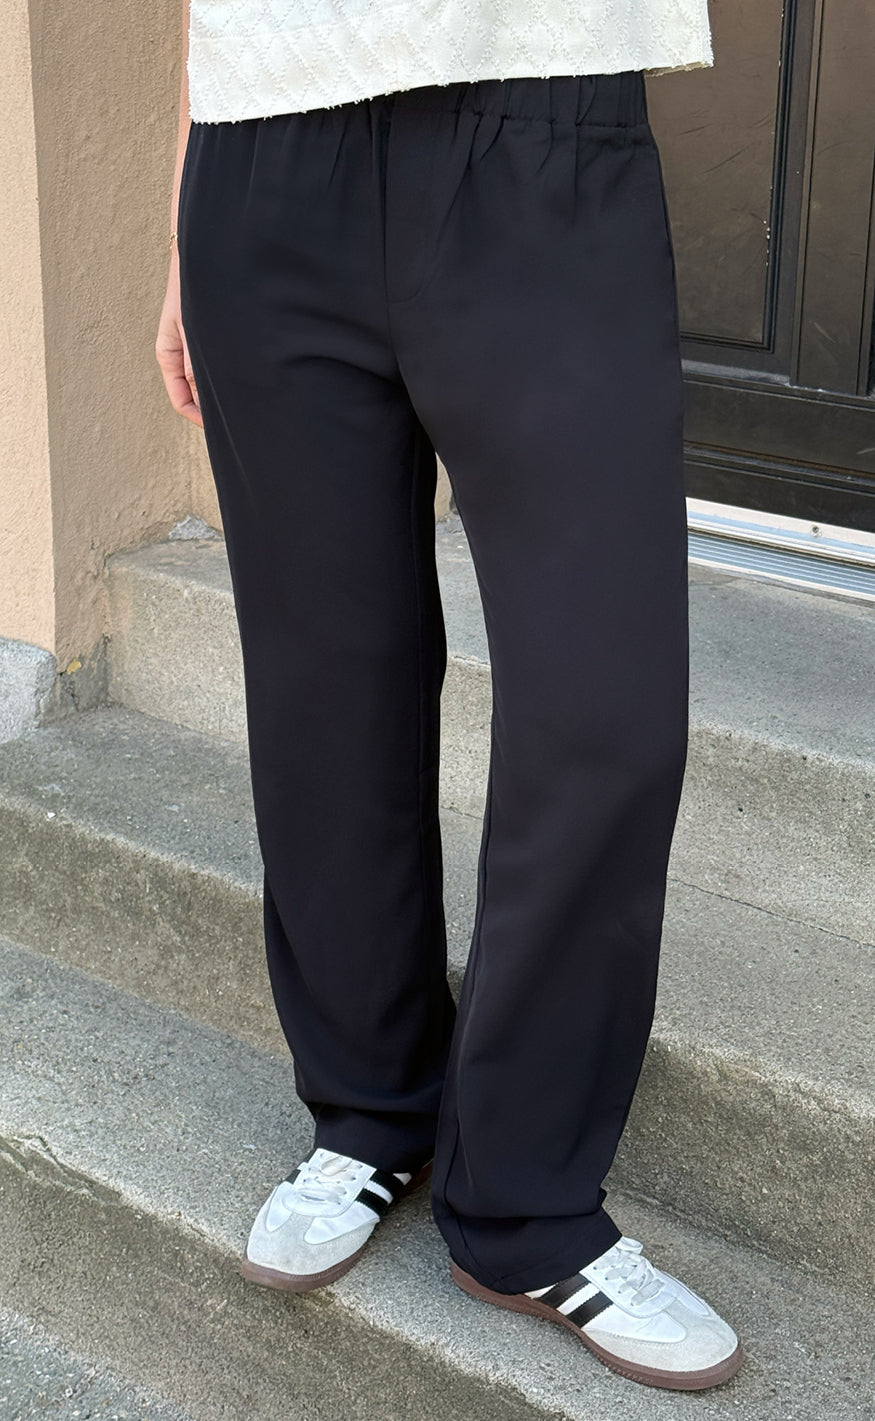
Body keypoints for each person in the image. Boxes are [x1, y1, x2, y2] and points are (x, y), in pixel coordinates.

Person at [156, 0, 742, 1392]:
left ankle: (528, 1205)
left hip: (544, 127)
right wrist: (188, 205)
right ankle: (368, 1112)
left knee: (606, 710)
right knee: (323, 683)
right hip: (262, 152)